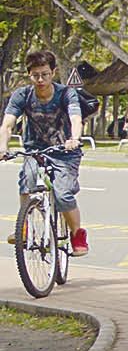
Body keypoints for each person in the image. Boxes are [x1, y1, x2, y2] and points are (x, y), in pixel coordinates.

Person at [1, 50, 90, 256]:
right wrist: (2, 147)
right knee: (26, 183)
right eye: (35, 75)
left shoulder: (66, 93)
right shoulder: (22, 95)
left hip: (64, 151)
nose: (40, 80)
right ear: (29, 75)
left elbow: (75, 119)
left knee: (62, 194)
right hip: (35, 150)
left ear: (53, 72)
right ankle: (23, 226)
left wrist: (74, 139)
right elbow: (7, 125)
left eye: (45, 74)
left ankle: (77, 233)